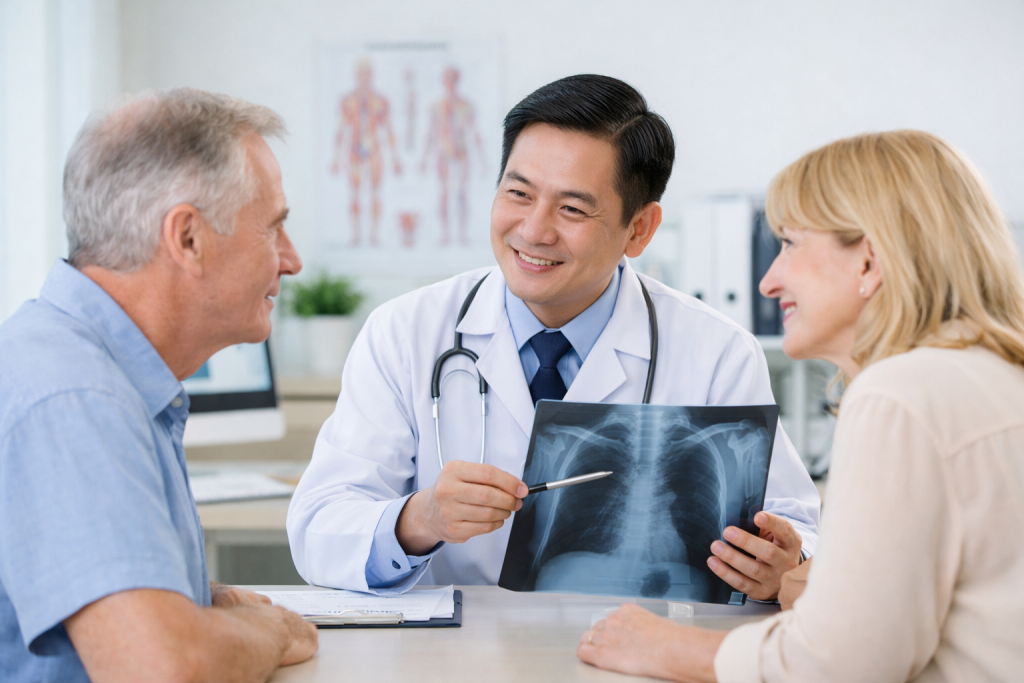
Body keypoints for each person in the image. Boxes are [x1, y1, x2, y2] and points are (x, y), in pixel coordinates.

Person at [288, 74, 820, 600]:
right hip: (451, 654)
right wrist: (419, 519)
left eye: (571, 208)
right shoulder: (406, 331)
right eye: (518, 193)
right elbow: (319, 528)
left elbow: (797, 532)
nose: (533, 230)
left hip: (639, 653)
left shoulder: (718, 352)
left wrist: (783, 566)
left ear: (640, 229)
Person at [577, 130, 1024, 682]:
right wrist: (805, 580)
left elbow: (841, 665)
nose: (769, 282)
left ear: (868, 262)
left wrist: (662, 646)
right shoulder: (986, 375)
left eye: (789, 244)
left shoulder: (900, 396)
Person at [0, 89, 317, 682]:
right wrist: (266, 631)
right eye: (273, 229)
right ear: (188, 239)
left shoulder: (84, 369)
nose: (291, 261)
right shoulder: (76, 399)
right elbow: (166, 668)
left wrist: (191, 605)